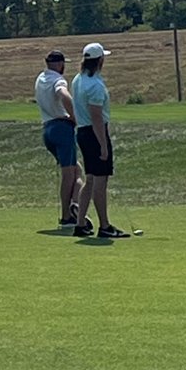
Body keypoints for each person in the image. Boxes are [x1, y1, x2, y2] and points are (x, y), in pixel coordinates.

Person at [72, 42, 129, 239]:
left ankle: (80, 223)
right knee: (100, 182)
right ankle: (104, 226)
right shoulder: (94, 85)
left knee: (90, 179)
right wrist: (103, 145)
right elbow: (96, 117)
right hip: (94, 133)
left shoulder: (78, 79)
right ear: (100, 61)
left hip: (83, 132)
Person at [34, 49, 87, 229]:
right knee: (69, 173)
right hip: (61, 128)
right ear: (59, 64)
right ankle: (67, 215)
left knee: (76, 170)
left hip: (47, 129)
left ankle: (74, 205)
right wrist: (74, 117)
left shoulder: (40, 78)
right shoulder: (58, 80)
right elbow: (63, 94)